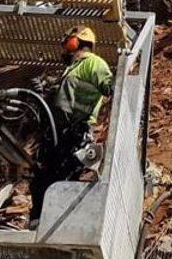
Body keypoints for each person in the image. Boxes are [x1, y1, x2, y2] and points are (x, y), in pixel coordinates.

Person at [29, 25, 116, 207]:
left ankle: (56, 223)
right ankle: (37, 224)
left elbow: (111, 86)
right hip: (58, 132)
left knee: (62, 179)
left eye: (68, 41)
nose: (65, 47)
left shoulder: (94, 63)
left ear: (77, 42)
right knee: (41, 180)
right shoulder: (72, 68)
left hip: (75, 131)